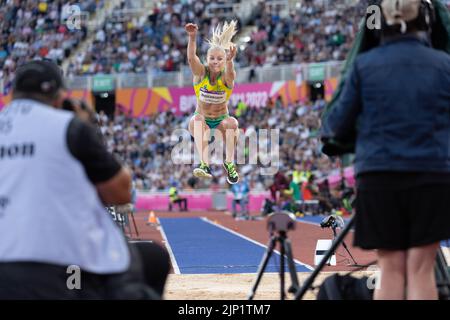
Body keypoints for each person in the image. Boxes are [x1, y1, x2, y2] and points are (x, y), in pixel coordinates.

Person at [0, 60, 170, 299]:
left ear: (12, 95)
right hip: (59, 272)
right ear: (59, 98)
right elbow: (120, 193)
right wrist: (89, 127)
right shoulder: (68, 127)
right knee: (150, 263)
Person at [323, 0, 450, 300]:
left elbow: (337, 125)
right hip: (431, 175)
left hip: (379, 176)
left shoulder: (364, 65)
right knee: (421, 269)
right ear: (425, 19)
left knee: (390, 269)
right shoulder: (444, 64)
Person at [185, 21, 240, 184]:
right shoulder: (201, 74)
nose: (215, 61)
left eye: (219, 59)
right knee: (198, 120)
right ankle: (204, 164)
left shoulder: (226, 77)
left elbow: (231, 74)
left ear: (224, 61)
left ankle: (229, 163)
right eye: (212, 58)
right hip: (201, 121)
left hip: (220, 121)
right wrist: (192, 37)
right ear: (207, 59)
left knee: (232, 122)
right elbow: (190, 58)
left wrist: (230, 61)